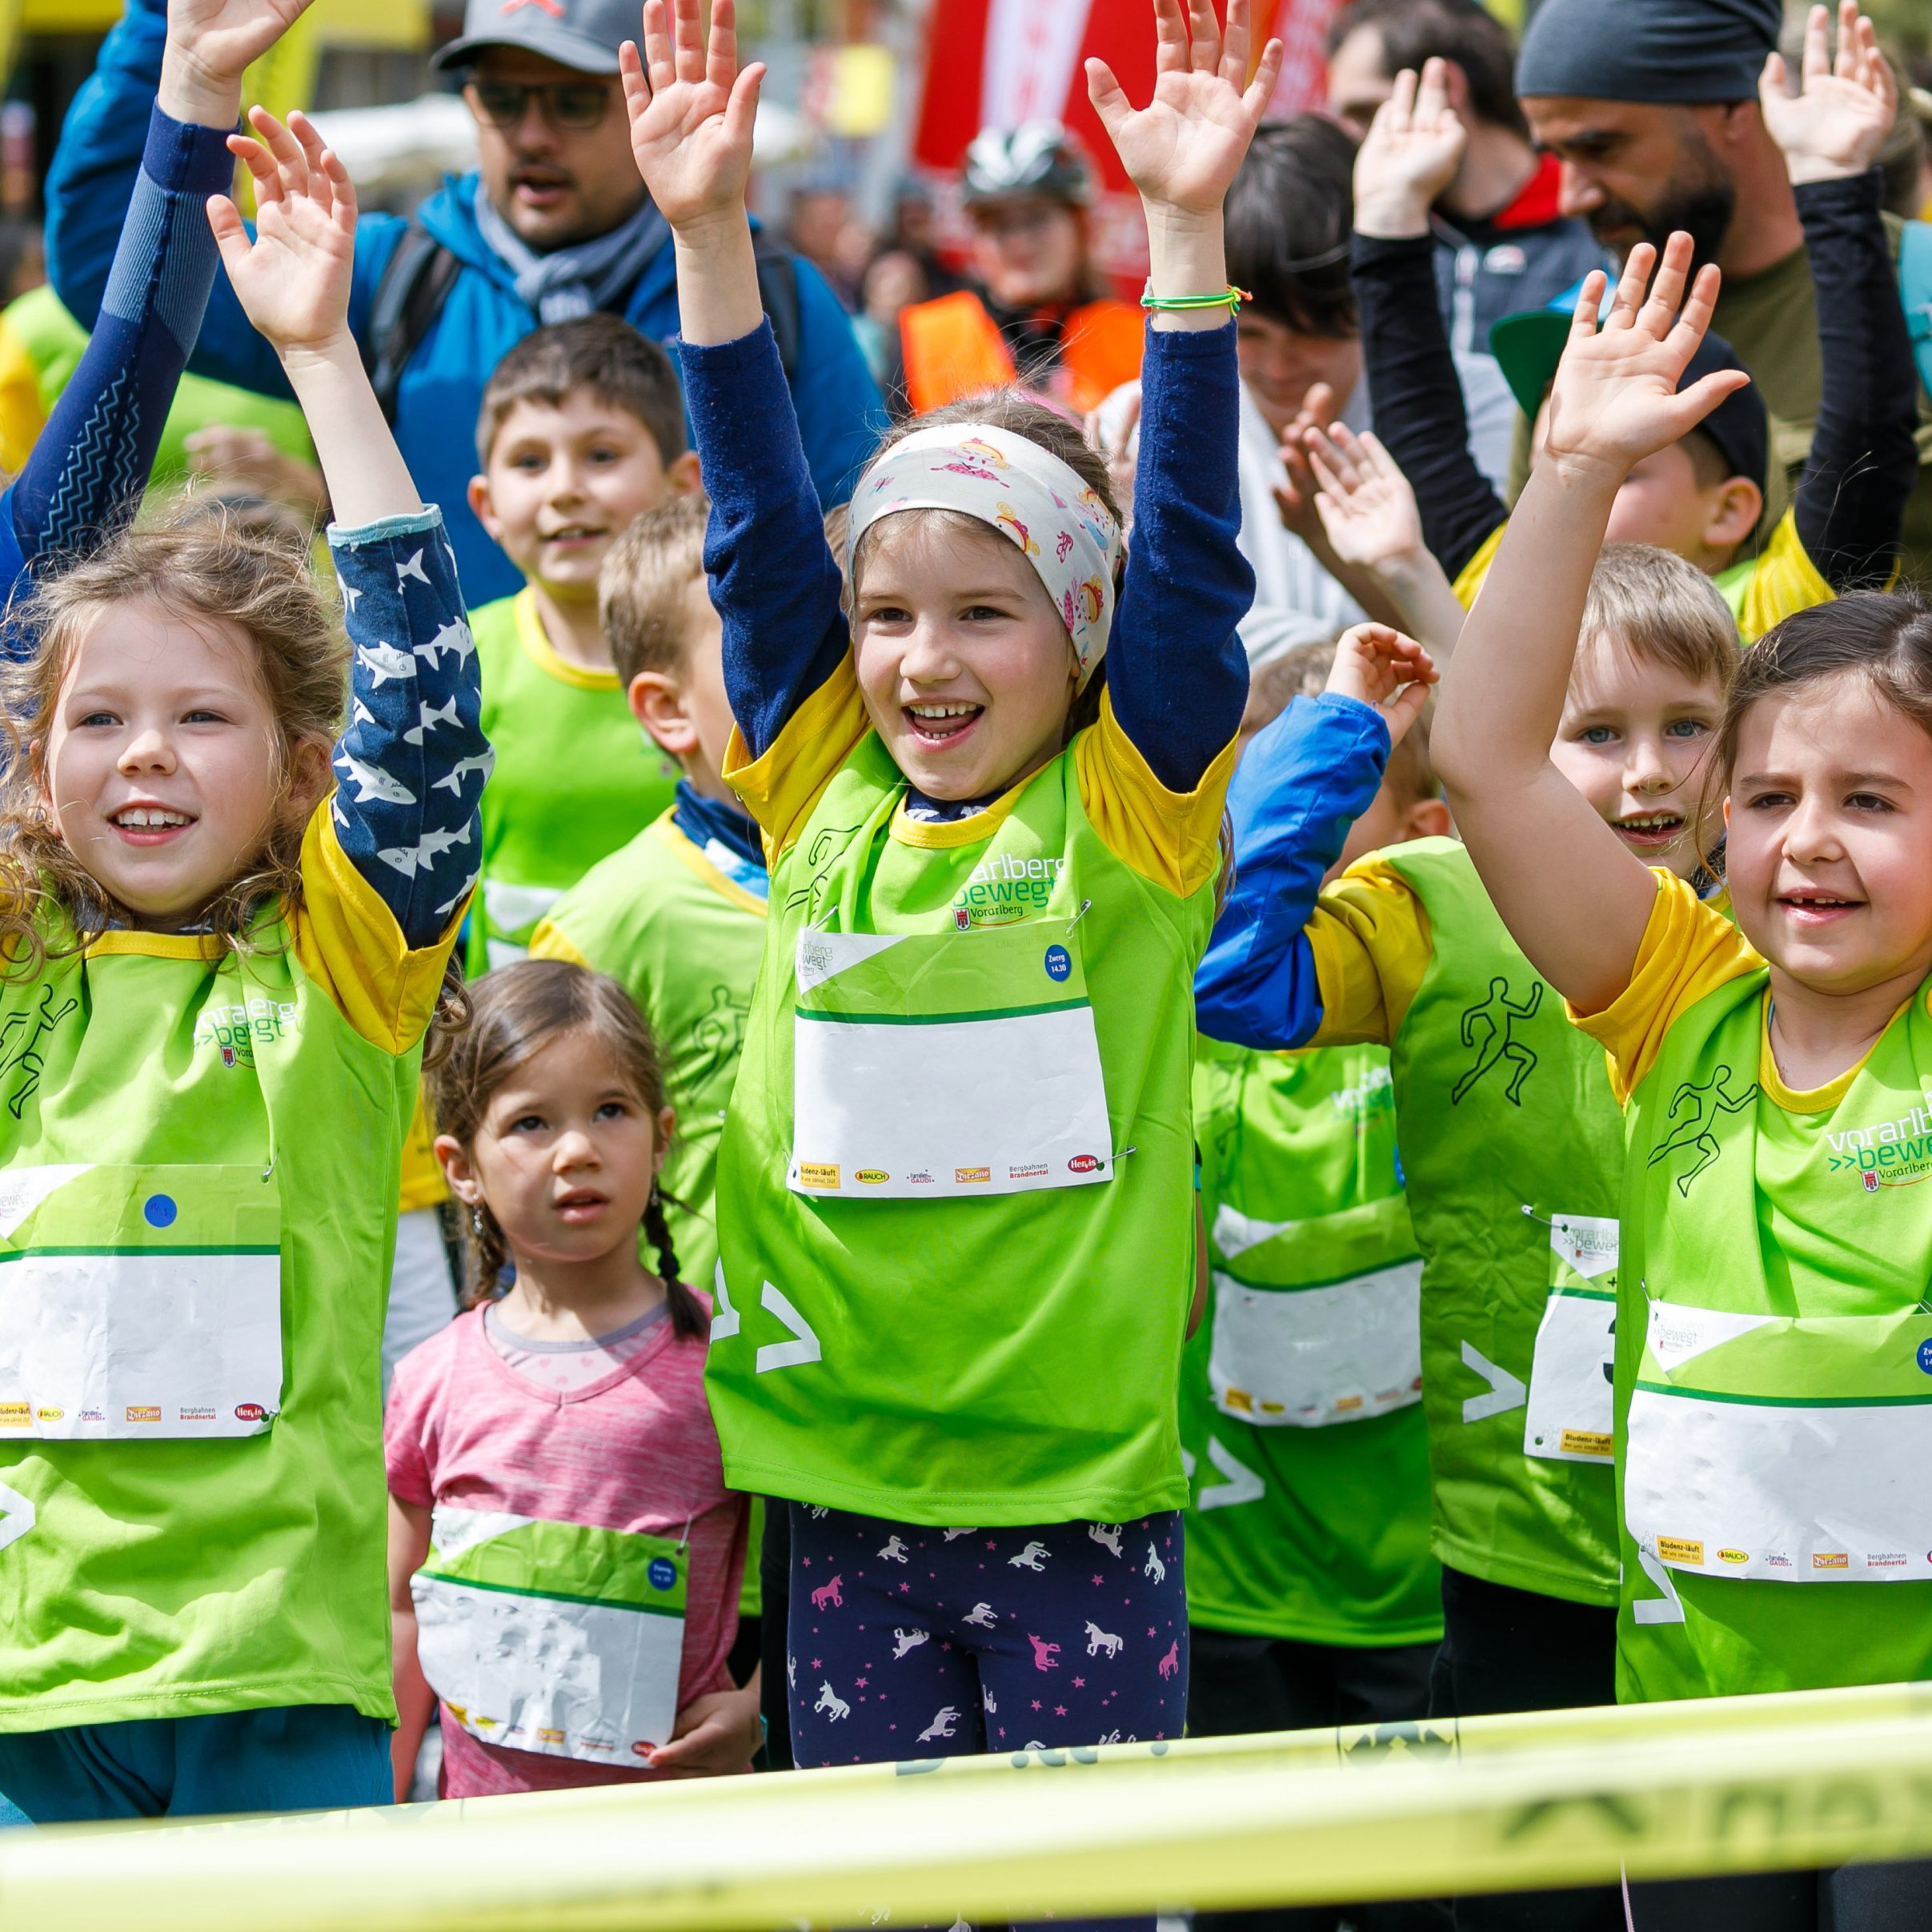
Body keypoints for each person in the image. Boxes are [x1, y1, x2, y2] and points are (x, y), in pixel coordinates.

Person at [623, 0, 1272, 1806]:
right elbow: (761, 535)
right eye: (889, 615)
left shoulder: (1129, 817)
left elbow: (1193, 563)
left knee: (1084, 1902)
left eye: (983, 614)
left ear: (1077, 639)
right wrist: (705, 236)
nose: (920, 662)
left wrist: (1188, 243)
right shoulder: (815, 778)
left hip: (1075, 1499)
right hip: (839, 1494)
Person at [1429, 230, 1932, 1932]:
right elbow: (1485, 757)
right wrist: (1569, 470)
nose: (1808, 843)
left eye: (1871, 801)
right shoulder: (1672, 996)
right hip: (1693, 1732)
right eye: (1773, 796)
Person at [0, 83, 485, 1822]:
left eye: (202, 717)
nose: (143, 752)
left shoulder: (340, 980)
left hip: (280, 1681)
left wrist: (327, 362)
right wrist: (175, 120)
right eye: (101, 719)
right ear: (33, 769)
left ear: (295, 771)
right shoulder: (15, 991)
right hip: (28, 1696)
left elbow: (427, 710)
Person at [1197, 533, 1737, 1932]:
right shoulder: (1433, 902)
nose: (1640, 773)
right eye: (1590, 731)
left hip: (1740, 1544)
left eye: (1686, 728)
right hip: (1515, 1541)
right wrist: (1334, 730)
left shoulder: (1790, 927)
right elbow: (1236, 976)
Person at [43, 0, 881, 607]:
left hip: (701, 787)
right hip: (439, 782)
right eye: (500, 98)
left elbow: (849, 547)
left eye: (573, 99)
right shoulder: (381, 270)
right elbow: (106, 264)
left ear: (644, 97)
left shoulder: (761, 293)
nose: (531, 133)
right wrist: (169, 29)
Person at [1353, 36, 1914, 643]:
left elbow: (1866, 429)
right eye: (1551, 468)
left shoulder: (1781, 617)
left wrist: (1833, 183)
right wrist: (1389, 220)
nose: (1571, 491)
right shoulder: (1513, 603)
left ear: (1728, 511)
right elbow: (1424, 446)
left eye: (1619, 471)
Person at [1186, 634, 1449, 1932]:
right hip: (1227, 1591)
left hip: (1414, 1597)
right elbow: (1235, 916)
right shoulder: (1189, 1026)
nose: (1281, 841)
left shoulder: (1436, 1008)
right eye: (1252, 795)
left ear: (1429, 827)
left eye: (1328, 799)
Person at [386, 961, 755, 1799]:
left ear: (662, 1137)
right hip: (485, 1857)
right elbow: (402, 1607)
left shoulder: (726, 1363)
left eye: (610, 1110)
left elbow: (818, 1567)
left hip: (683, 1844)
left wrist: (761, 1705)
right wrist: (390, 1793)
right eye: (530, 1122)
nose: (578, 1148)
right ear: (459, 1166)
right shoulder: (430, 1379)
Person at [1515, 0, 1932, 583]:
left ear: (1737, 110)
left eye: (1601, 148)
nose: (1571, 197)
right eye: (1557, 157)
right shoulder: (1582, 334)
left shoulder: (1917, 289)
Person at [530, 492, 764, 1295]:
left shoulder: (907, 868)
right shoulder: (607, 923)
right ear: (667, 710)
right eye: (763, 636)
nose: (815, 659)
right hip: (691, 1389)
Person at [465, 315, 695, 972]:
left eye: (601, 455)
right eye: (530, 462)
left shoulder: (730, 663)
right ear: (486, 507)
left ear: (683, 484)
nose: (565, 489)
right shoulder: (460, 663)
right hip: (515, 1056)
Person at [1326, 0, 1603, 491]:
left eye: (1367, 112)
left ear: (1448, 89)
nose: (1352, 143)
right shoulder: (1371, 244)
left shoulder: (1600, 221)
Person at [891, 120, 1144, 419]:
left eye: (1036, 219)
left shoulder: (1139, 339)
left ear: (1082, 226)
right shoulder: (924, 333)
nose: (1018, 242)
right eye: (998, 224)